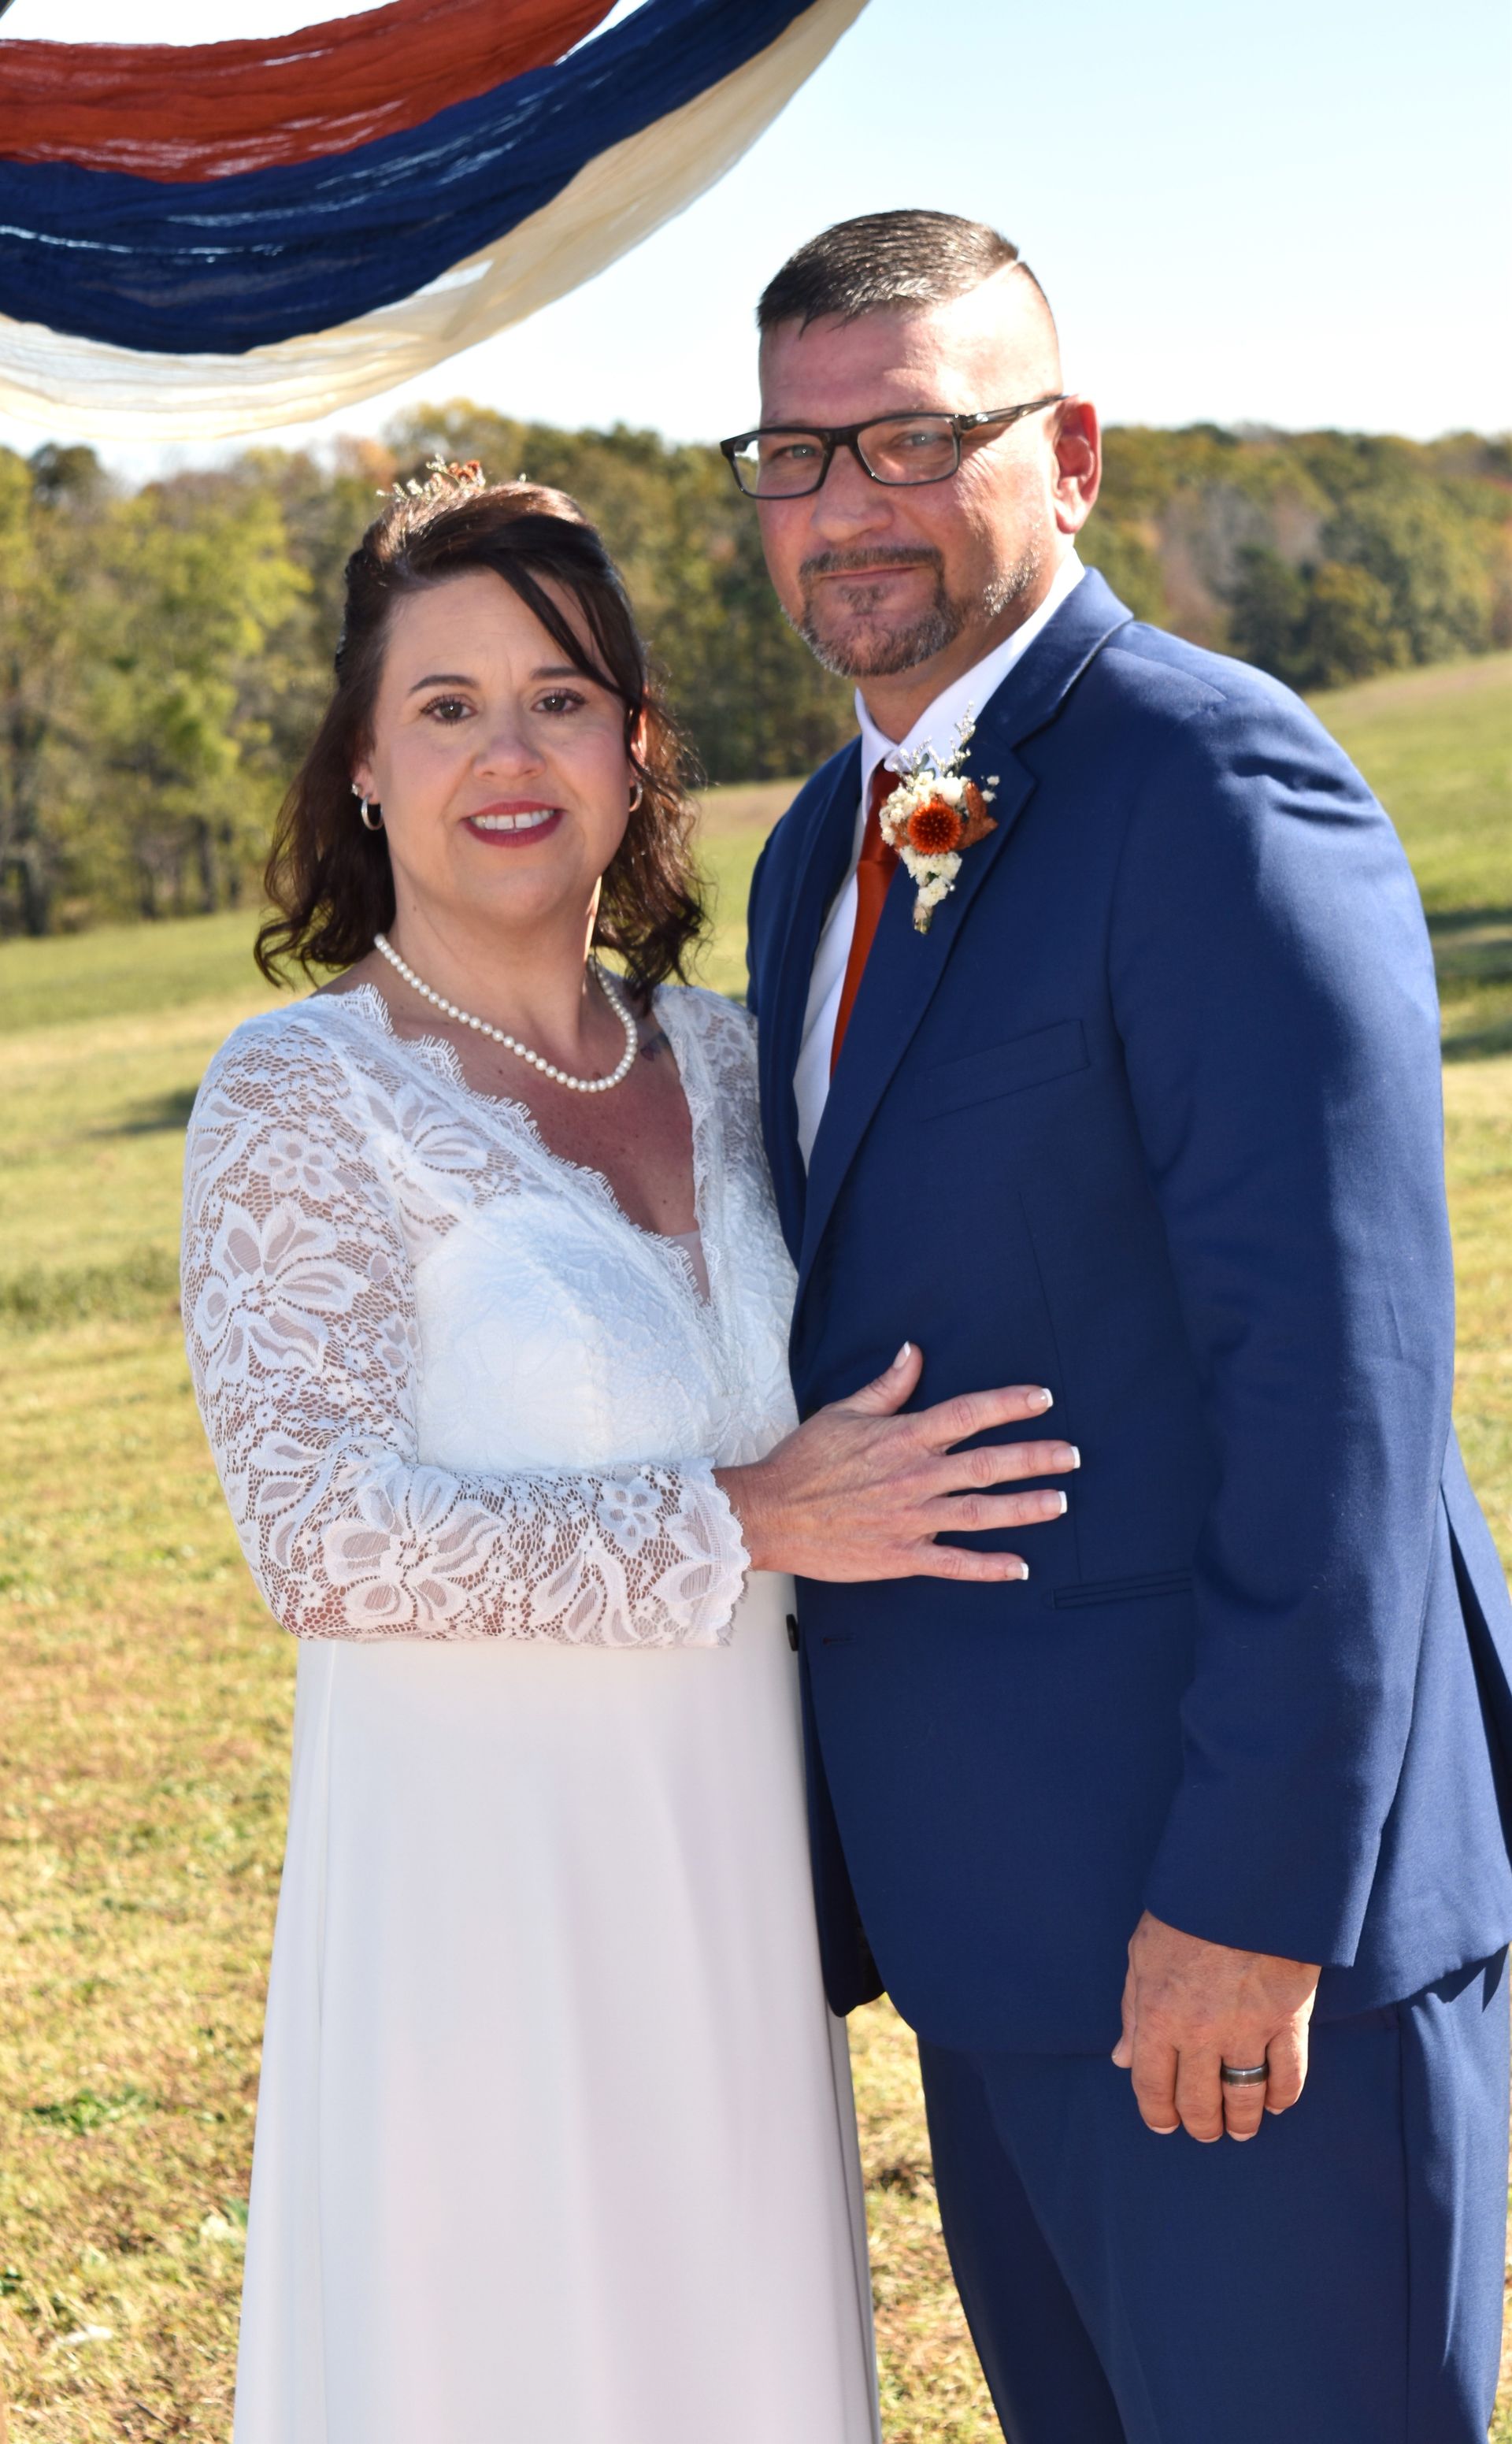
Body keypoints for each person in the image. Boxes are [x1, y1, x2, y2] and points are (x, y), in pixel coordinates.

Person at [180, 464, 1078, 2444]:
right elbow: (316, 1532)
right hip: (477, 1897)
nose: (510, 753)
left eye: (562, 696)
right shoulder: (298, 1093)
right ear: (359, 765)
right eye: (445, 705)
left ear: (636, 744)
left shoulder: (740, 1063)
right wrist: (749, 1515)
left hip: (732, 1882)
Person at [735, 210, 1512, 2443]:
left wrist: (1253, 1904)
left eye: (911, 434)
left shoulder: (1216, 788)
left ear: (1066, 455)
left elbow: (1343, 1394)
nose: (846, 501)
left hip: (1246, 1949)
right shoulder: (815, 856)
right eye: (794, 453)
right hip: (995, 1938)